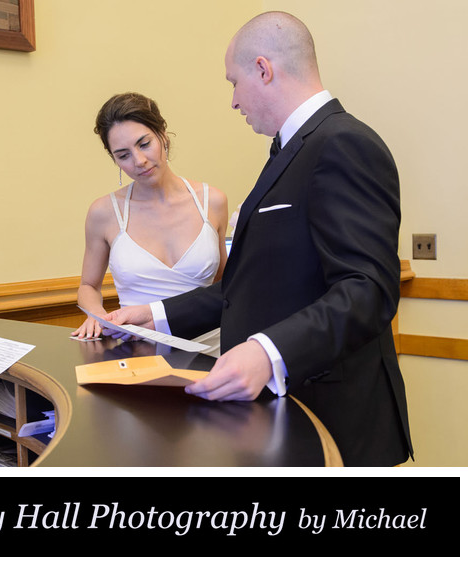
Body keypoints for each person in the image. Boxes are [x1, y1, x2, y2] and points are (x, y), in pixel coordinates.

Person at [106, 12, 412, 466]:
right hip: (287, 417)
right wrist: (156, 314)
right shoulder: (290, 150)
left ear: (264, 70)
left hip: (338, 420)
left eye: (234, 82)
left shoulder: (343, 143)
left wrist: (269, 353)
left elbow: (367, 289)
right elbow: (251, 286)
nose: (233, 100)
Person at [72, 92, 229, 356]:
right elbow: (88, 286)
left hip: (211, 351)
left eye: (144, 144)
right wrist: (97, 316)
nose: (139, 161)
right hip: (138, 352)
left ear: (162, 135)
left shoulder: (213, 201)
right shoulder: (104, 212)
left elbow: (224, 281)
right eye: (123, 155)